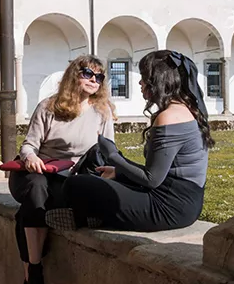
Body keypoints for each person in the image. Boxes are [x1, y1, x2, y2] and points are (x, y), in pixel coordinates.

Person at [45, 50, 211, 235]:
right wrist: (119, 172)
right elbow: (160, 173)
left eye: (144, 77)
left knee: (75, 185)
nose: (140, 83)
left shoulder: (169, 117)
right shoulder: (187, 110)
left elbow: (152, 179)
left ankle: (85, 216)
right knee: (101, 179)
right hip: (185, 202)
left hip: (168, 207)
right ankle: (95, 215)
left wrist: (113, 155)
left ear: (158, 81)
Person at [10, 55, 115, 284]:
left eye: (99, 77)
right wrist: (31, 159)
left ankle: (31, 282)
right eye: (88, 74)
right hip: (34, 172)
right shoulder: (49, 107)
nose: (94, 81)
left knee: (29, 213)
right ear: (73, 75)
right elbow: (28, 145)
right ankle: (33, 275)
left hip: (70, 178)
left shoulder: (102, 113)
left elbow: (109, 151)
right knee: (36, 191)